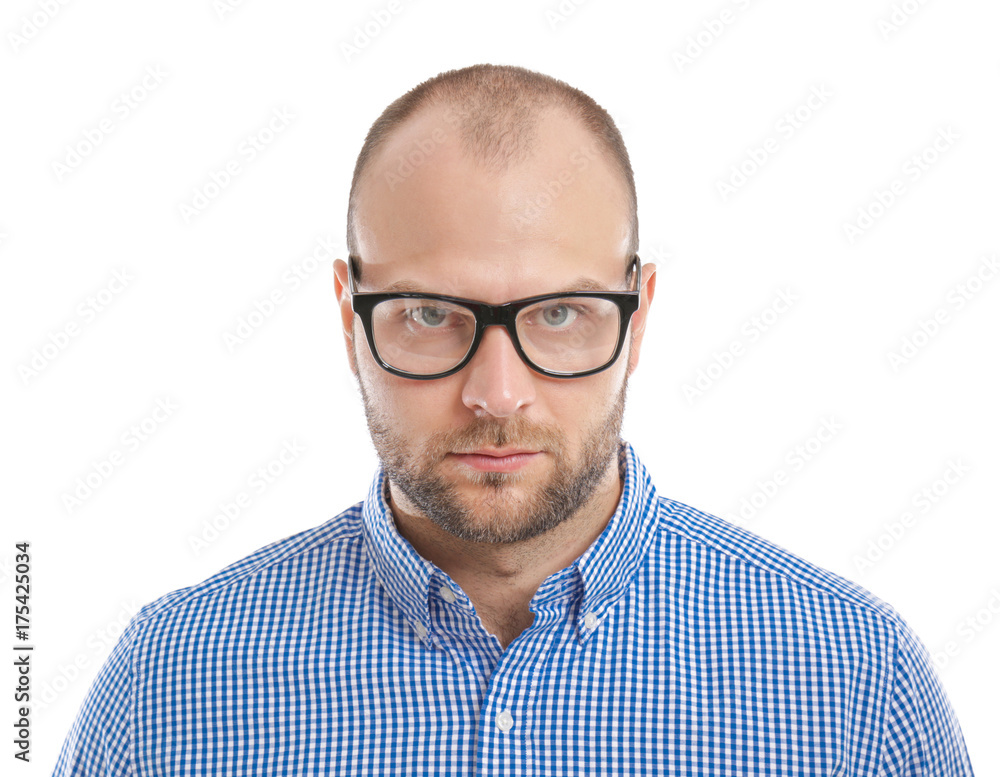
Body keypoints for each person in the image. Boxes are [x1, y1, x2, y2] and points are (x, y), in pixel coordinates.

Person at [54, 64, 974, 776]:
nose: (497, 393)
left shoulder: (853, 678)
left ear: (638, 314)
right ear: (349, 313)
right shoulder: (169, 683)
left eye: (560, 314)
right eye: (429, 314)